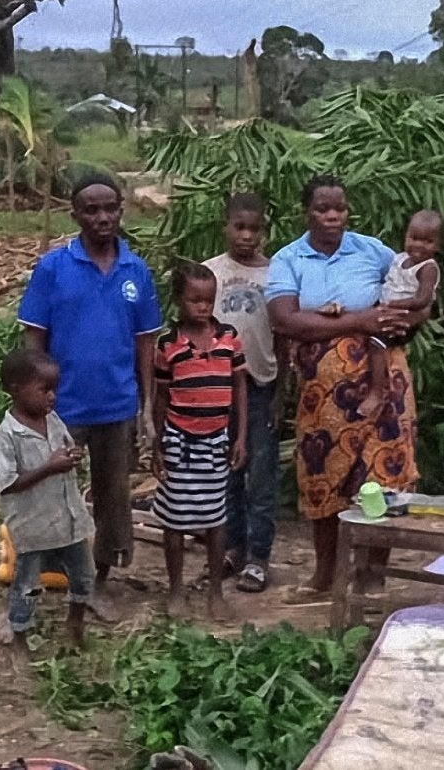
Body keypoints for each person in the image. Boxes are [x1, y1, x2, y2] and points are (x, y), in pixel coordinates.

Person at [265, 175, 428, 598]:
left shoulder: (373, 251)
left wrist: (401, 322)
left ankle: (373, 574)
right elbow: (284, 319)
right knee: (324, 474)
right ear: (307, 212)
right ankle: (326, 574)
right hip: (322, 394)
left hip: (384, 386)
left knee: (383, 473)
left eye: (339, 208)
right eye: (322, 208)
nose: (333, 216)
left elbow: (416, 289)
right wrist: (361, 320)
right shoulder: (289, 259)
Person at [18, 173, 162, 605]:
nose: (102, 217)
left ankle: (97, 581)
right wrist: (35, 399)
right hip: (62, 406)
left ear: (121, 209)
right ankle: (38, 577)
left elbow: (146, 345)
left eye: (110, 208)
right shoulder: (53, 268)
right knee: (48, 493)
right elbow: (34, 337)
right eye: (91, 209)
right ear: (76, 214)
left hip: (117, 404)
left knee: (113, 496)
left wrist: (148, 407)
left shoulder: (135, 270)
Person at [152, 263, 247, 620]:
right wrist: (157, 442)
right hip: (179, 439)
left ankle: (215, 592)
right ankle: (176, 589)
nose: (203, 307)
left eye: (209, 300)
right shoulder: (168, 344)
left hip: (216, 442)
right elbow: (161, 396)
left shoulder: (228, 338)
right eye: (195, 300)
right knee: (174, 518)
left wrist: (241, 437)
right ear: (179, 300)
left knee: (215, 517)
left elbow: (239, 387)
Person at [203, 193, 287, 593]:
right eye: (240, 226)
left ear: (265, 231)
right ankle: (231, 548)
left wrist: (281, 393)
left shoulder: (277, 275)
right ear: (226, 226)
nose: (247, 235)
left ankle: (258, 556)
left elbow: (285, 339)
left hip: (261, 385)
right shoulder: (209, 274)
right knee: (226, 474)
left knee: (262, 476)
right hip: (216, 387)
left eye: (255, 228)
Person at [0, 348, 94, 649]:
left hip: (69, 519)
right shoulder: (5, 438)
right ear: (16, 390)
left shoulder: (54, 421)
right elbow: (8, 484)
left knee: (84, 575)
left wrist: (73, 457)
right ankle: (19, 637)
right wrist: (49, 467)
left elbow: (65, 448)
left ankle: (75, 622)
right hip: (33, 528)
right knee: (28, 587)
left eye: (54, 390)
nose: (52, 397)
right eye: (44, 389)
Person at [352, 210, 441, 418]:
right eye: (414, 238)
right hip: (387, 307)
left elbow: (423, 300)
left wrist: (397, 305)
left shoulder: (427, 268)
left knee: (376, 342)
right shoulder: (399, 258)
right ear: (406, 235)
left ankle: (377, 391)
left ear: (438, 245)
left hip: (403, 317)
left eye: (427, 241)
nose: (418, 245)